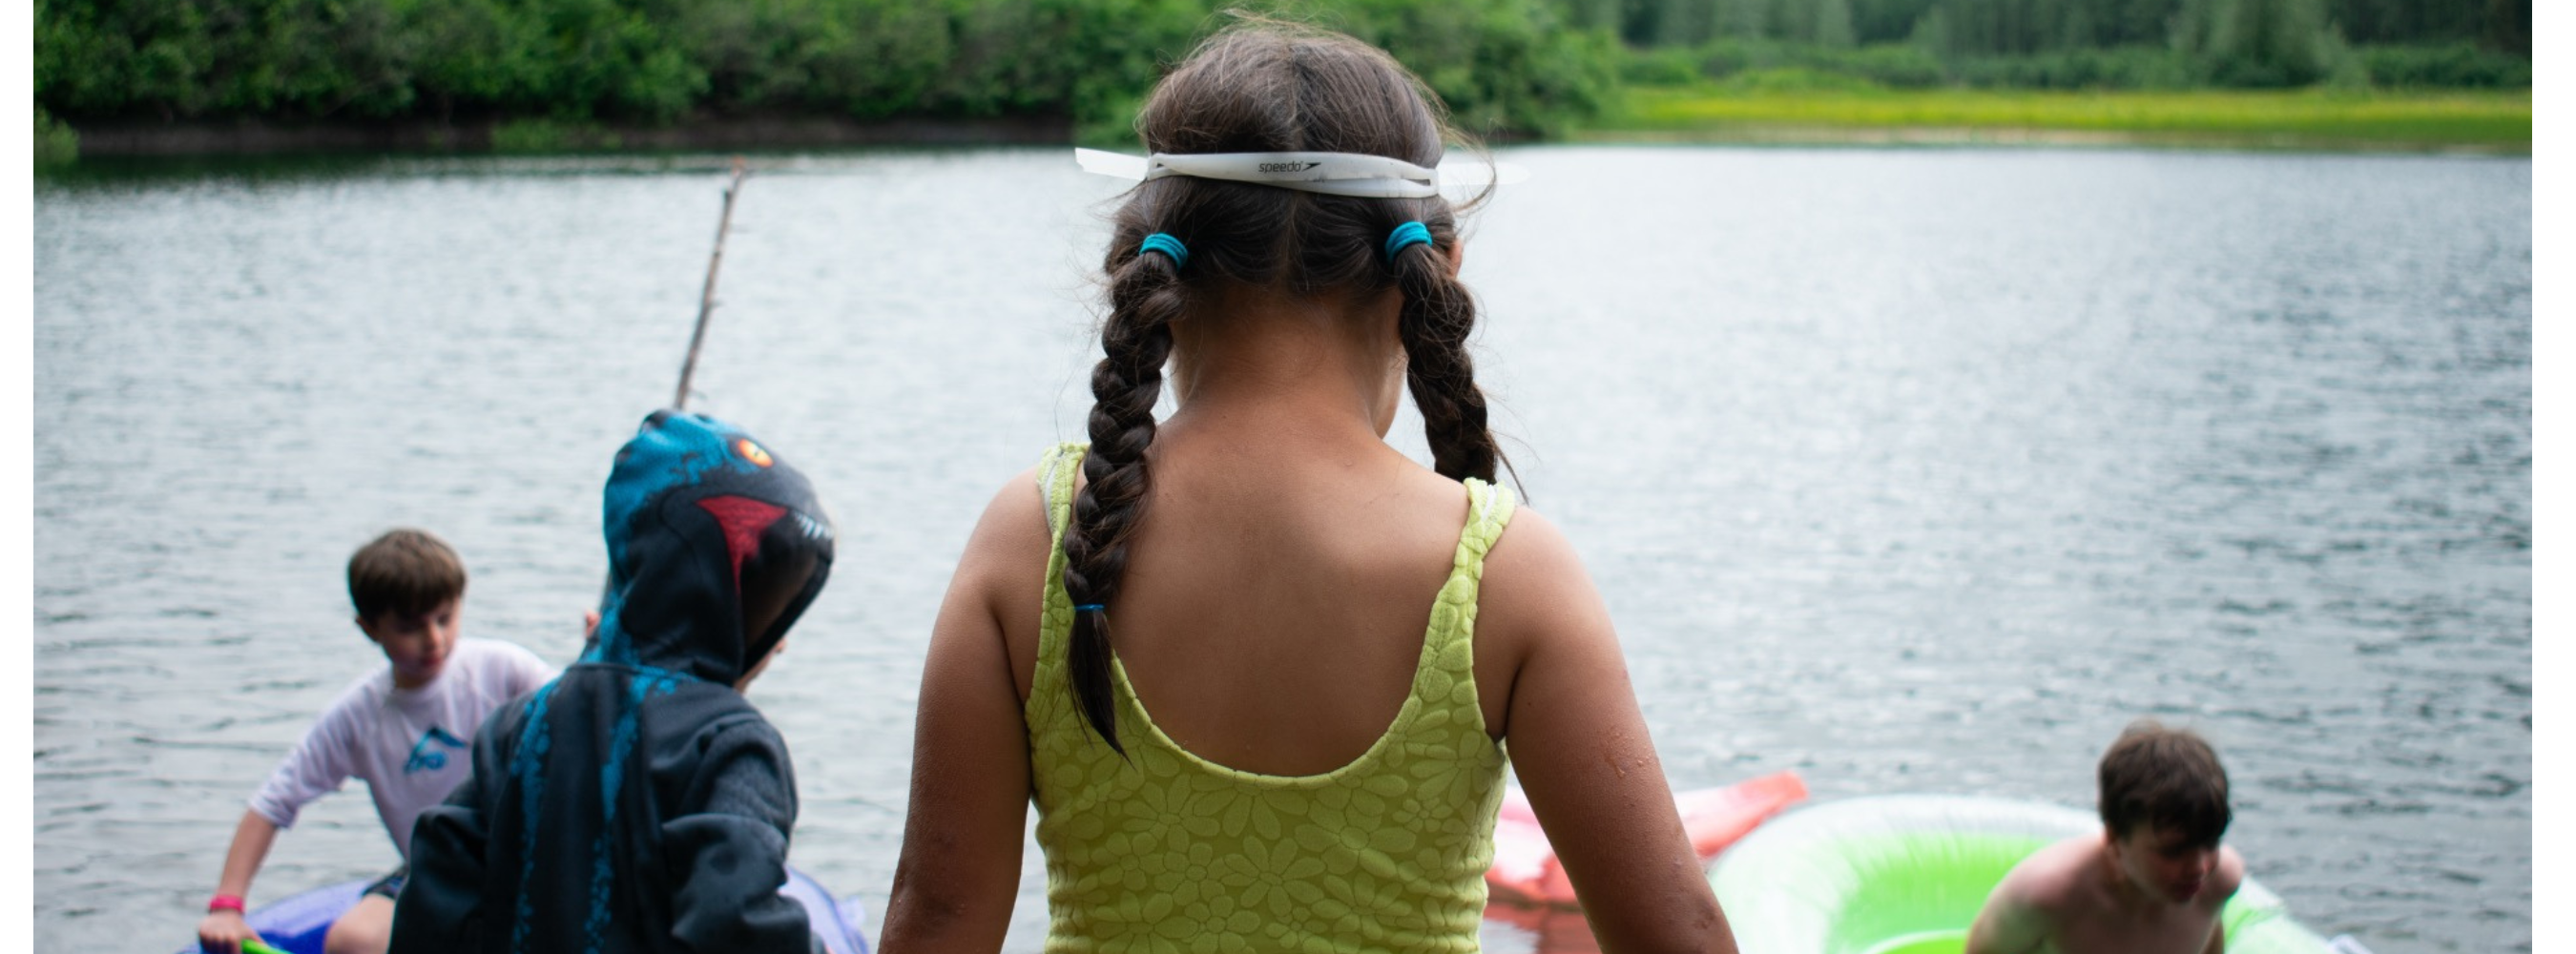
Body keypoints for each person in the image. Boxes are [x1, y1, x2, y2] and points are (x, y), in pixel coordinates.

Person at [880, 23, 1736, 953]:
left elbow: (937, 920)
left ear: (1143, 266)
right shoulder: (1505, 573)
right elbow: (1678, 933)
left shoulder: (1034, 537)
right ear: (1436, 272)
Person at [388, 409, 836, 952]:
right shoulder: (730, 745)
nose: (780, 640)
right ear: (718, 604)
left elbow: (431, 905)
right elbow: (735, 924)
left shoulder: (519, 723)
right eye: (772, 610)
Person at [196, 529, 557, 954]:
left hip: (528, 855)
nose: (434, 640)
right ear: (369, 628)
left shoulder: (503, 670)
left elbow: (580, 724)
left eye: (444, 618)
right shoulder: (358, 715)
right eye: (410, 627)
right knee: (351, 940)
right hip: (433, 869)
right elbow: (271, 804)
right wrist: (227, 905)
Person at [1967, 721, 2246, 954]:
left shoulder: (2220, 881)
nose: (2199, 867)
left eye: (2210, 842)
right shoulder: (2049, 893)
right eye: (2172, 851)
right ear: (2114, 838)